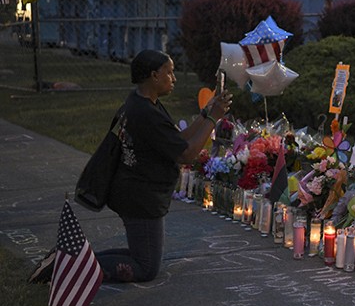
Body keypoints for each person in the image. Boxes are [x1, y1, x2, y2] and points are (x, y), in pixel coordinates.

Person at [29, 50, 231, 284]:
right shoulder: (145, 112)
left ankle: (69, 260)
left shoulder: (144, 103)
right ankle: (66, 268)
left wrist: (206, 113)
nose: (174, 78)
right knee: (145, 268)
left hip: (136, 192)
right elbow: (186, 154)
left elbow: (179, 140)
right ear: (154, 75)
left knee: (143, 257)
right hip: (140, 196)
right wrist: (214, 118)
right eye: (170, 73)